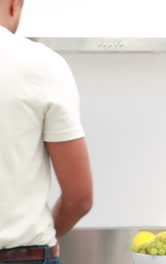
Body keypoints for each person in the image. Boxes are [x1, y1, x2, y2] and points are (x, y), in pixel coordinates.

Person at [0, 0, 93, 263]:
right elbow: (79, 199)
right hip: (22, 257)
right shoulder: (42, 65)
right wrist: (41, 242)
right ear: (13, 4)